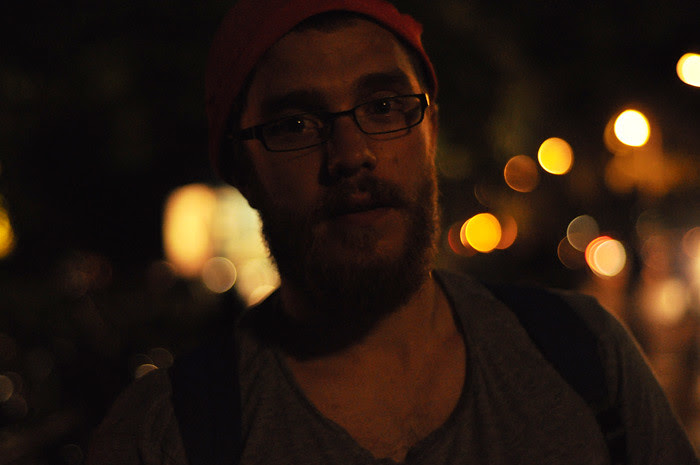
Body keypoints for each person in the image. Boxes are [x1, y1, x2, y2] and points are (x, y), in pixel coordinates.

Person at [87, 0, 699, 464]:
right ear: (242, 170)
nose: (352, 153)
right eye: (295, 123)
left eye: (383, 107)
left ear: (430, 131)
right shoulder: (165, 437)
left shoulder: (587, 359)